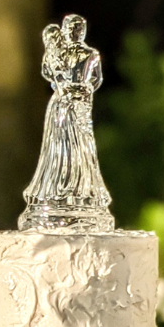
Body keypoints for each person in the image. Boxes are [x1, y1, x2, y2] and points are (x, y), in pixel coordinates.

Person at [19, 14, 114, 232]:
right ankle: (54, 192)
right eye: (72, 28)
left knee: (80, 149)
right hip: (62, 104)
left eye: (78, 28)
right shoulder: (61, 53)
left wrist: (78, 89)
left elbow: (95, 80)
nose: (75, 32)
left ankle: (82, 193)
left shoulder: (91, 54)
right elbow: (48, 73)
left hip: (76, 103)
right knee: (57, 150)